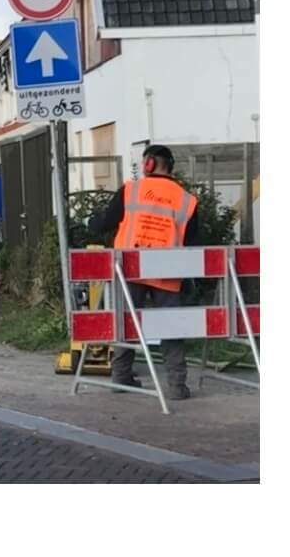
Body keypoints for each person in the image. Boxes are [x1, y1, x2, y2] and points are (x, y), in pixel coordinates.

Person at [87, 144, 199, 400]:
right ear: (170, 166)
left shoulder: (131, 190)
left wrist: (89, 222)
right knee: (171, 327)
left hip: (130, 269)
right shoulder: (186, 199)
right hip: (168, 272)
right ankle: (176, 386)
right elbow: (193, 242)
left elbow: (104, 223)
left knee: (126, 323)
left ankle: (121, 376)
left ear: (148, 163)